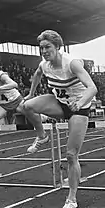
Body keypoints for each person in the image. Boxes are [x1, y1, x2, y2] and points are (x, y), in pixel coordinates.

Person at [23, 30, 97, 208]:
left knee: (71, 155)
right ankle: (42, 136)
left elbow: (92, 88)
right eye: (41, 48)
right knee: (27, 106)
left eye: (47, 47)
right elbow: (38, 74)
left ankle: (72, 198)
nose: (44, 51)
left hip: (79, 108)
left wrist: (79, 103)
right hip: (59, 103)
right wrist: (31, 93)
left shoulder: (71, 64)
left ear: (58, 47)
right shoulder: (44, 64)